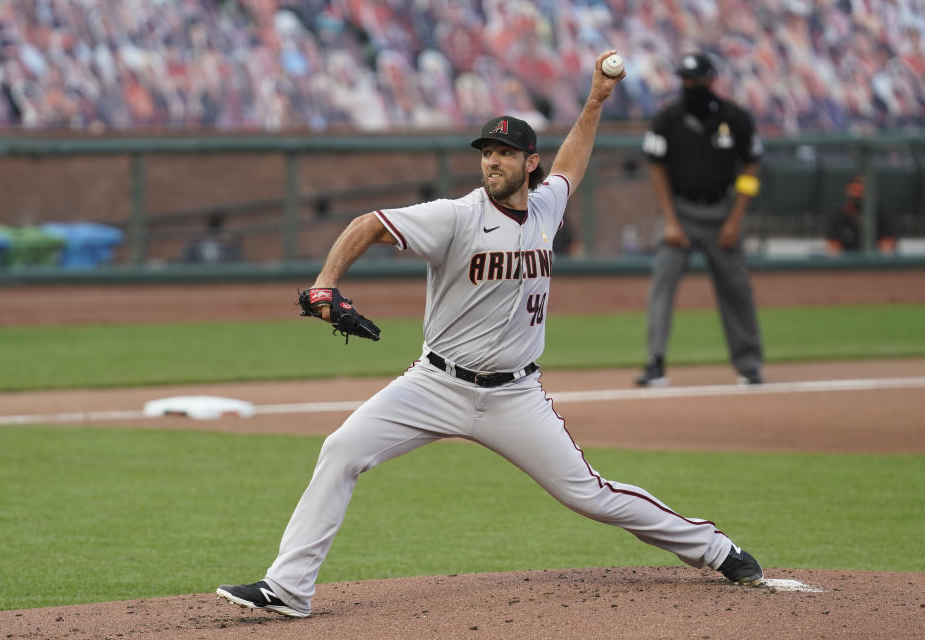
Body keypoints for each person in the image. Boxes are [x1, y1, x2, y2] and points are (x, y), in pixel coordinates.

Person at [216, 50, 764, 620]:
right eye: (487, 152)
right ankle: (288, 588)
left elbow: (573, 162)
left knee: (589, 494)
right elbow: (367, 225)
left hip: (514, 397)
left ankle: (716, 549)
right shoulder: (454, 215)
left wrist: (596, 101)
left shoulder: (547, 205)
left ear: (530, 164)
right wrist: (326, 283)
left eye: (505, 153)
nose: (492, 162)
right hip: (434, 384)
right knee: (340, 451)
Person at [636, 52, 765, 388]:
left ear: (711, 80)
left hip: (723, 211)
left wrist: (736, 219)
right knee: (661, 286)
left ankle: (749, 365)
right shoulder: (668, 118)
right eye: (685, 79)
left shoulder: (735, 118)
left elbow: (751, 168)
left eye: (696, 79)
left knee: (737, 289)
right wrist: (671, 221)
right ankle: (655, 362)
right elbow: (656, 169)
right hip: (681, 212)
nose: (690, 85)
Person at [825, 174, 897, 255]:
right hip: (847, 264)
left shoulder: (881, 214)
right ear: (847, 192)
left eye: (860, 193)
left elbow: (887, 248)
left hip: (875, 264)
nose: (856, 198)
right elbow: (833, 250)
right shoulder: (838, 216)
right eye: (854, 192)